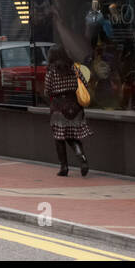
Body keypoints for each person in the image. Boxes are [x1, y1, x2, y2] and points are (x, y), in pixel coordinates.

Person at [45, 45, 91, 176]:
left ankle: (64, 167)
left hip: (59, 106)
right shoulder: (74, 68)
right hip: (75, 106)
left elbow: (47, 90)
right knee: (74, 134)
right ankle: (81, 155)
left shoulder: (51, 70)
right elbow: (84, 84)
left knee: (59, 138)